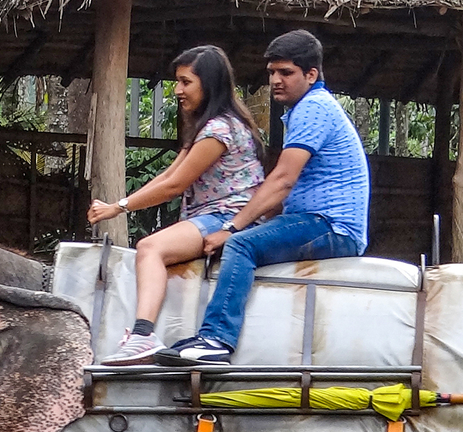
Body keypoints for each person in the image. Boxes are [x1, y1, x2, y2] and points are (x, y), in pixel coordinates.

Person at [157, 30, 370, 365]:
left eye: (286, 72)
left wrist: (231, 227)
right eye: (271, 72)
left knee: (241, 244)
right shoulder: (307, 109)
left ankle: (216, 340)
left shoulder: (313, 108)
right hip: (314, 221)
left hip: (331, 226)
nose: (275, 80)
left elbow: (283, 180)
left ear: (311, 74)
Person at [88, 44, 267, 365]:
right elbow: (168, 175)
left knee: (150, 248)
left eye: (186, 82)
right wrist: (119, 203)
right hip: (213, 215)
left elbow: (174, 186)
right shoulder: (206, 127)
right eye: (178, 81)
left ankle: (142, 335)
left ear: (208, 84)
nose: (177, 90)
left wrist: (118, 208)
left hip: (227, 218)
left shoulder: (219, 130)